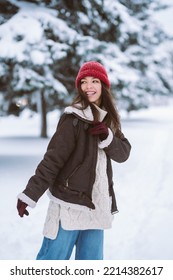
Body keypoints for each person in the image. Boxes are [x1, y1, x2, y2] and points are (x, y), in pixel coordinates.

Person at [17, 61, 131, 260]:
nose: (89, 86)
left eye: (95, 81)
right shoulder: (73, 119)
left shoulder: (108, 121)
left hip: (97, 204)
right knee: (52, 263)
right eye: (84, 81)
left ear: (103, 86)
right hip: (69, 204)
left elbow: (123, 154)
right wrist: (30, 194)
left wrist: (108, 137)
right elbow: (52, 160)